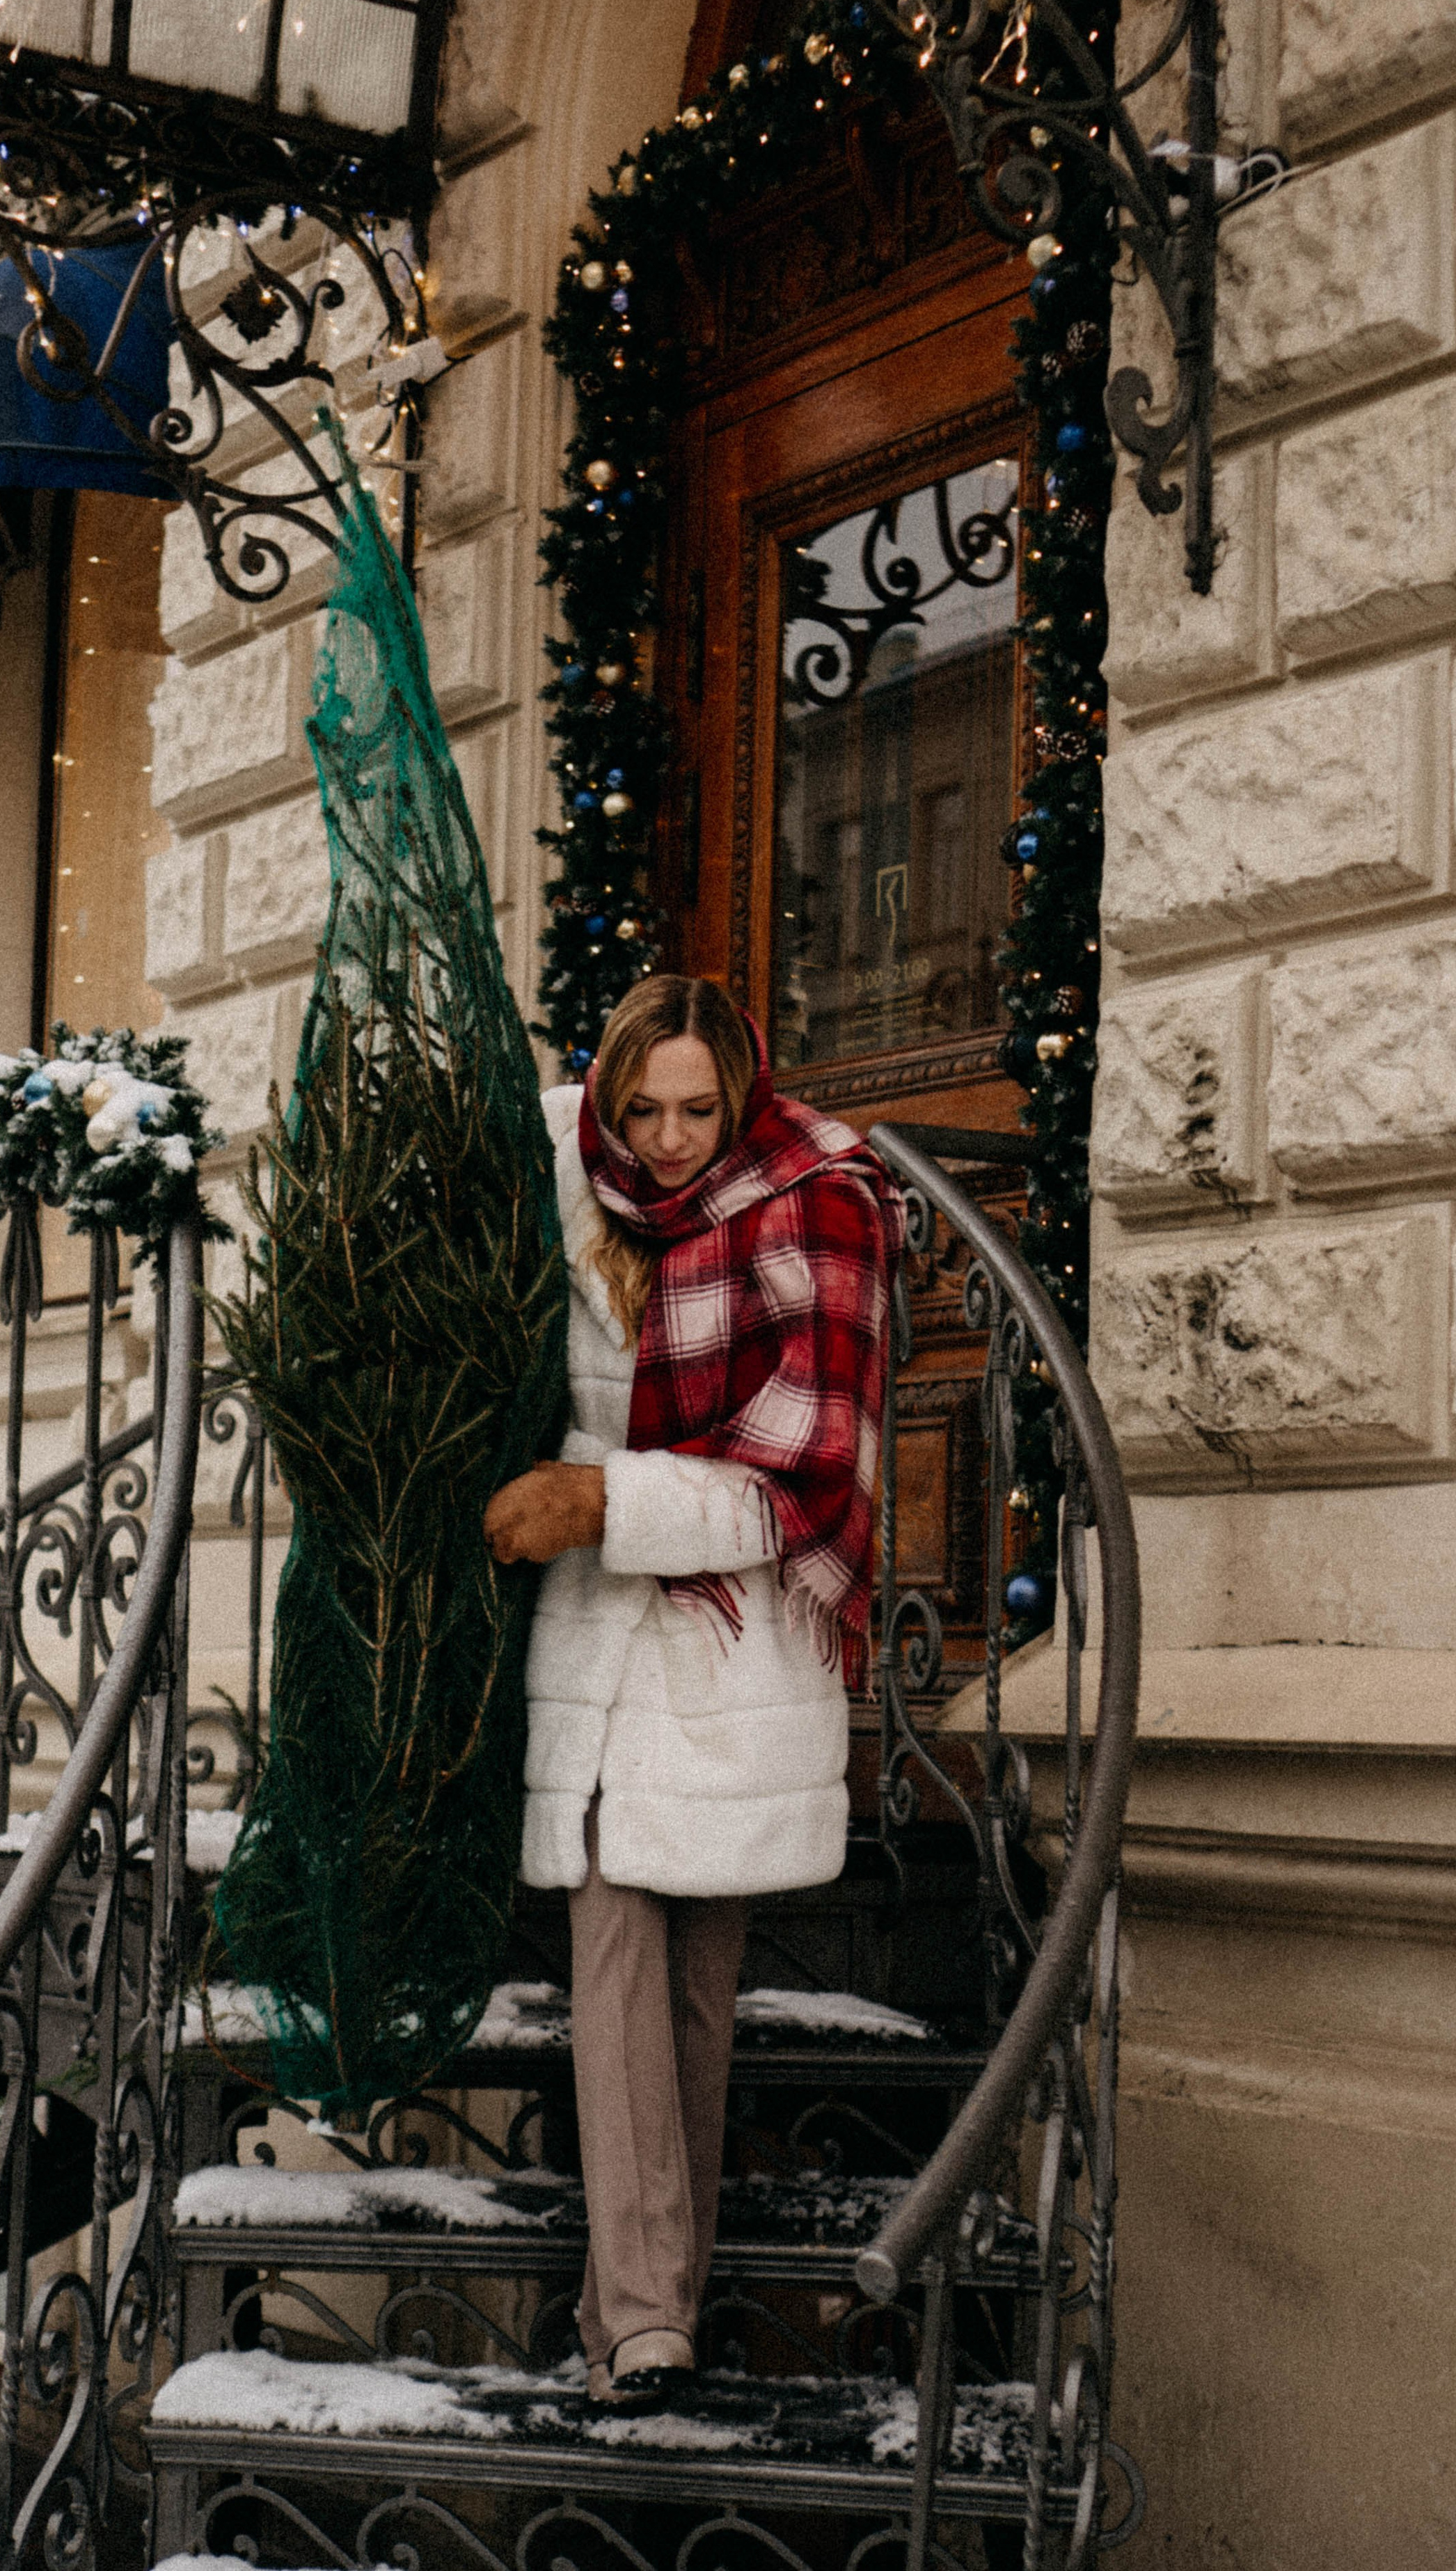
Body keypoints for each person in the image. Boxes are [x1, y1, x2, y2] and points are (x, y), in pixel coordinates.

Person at [483, 974, 904, 2414]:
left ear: (742, 1099)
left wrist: (604, 1501)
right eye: (640, 1109)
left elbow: (805, 1485)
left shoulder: (816, 1209)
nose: (666, 1141)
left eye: (696, 1111)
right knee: (612, 1954)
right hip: (597, 1641)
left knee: (695, 2003)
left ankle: (639, 2312)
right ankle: (648, 2319)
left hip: (732, 1647)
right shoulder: (563, 1176)